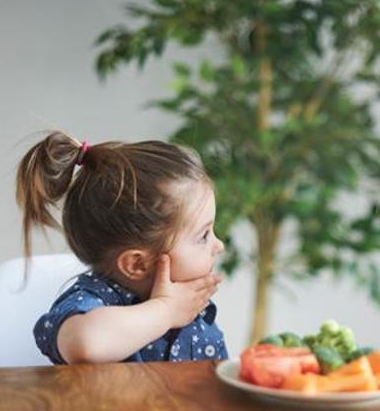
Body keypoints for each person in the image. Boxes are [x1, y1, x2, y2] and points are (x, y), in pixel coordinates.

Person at [17, 131, 227, 364]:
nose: (219, 245)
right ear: (137, 264)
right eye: (204, 235)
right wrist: (165, 311)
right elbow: (85, 343)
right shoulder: (93, 301)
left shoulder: (192, 309)